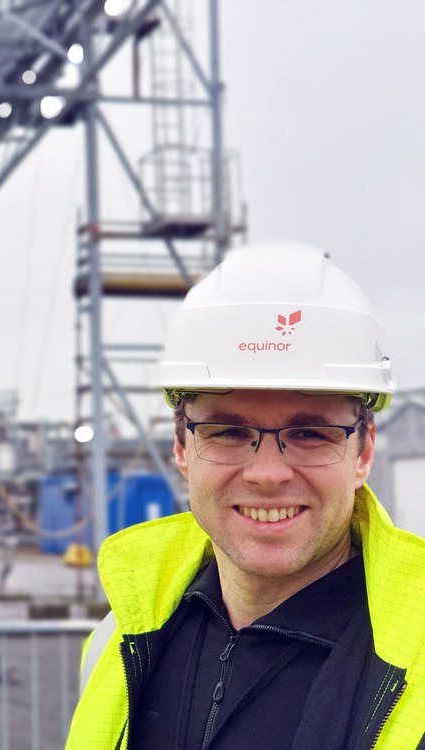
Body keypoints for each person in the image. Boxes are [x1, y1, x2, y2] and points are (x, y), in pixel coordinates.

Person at [66, 242, 425, 749]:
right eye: (228, 431)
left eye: (311, 434)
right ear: (181, 447)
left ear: (363, 451)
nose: (267, 473)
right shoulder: (116, 642)